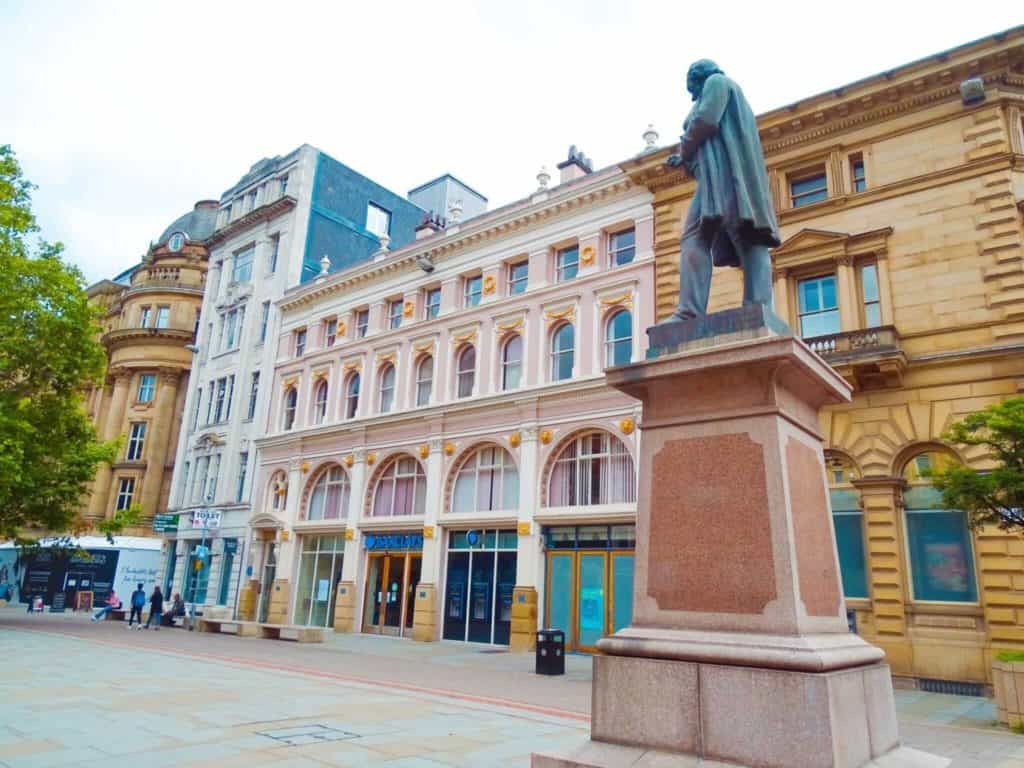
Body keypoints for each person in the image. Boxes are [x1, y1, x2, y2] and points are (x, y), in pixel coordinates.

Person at [663, 59, 780, 321]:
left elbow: (706, 119)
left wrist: (684, 148)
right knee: (741, 236)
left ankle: (692, 311)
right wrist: (684, 158)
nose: (692, 95)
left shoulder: (716, 82)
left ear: (697, 78)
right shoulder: (729, 89)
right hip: (723, 174)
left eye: (692, 88)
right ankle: (756, 307)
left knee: (710, 236)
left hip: (725, 173)